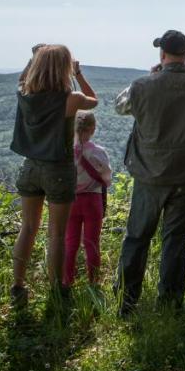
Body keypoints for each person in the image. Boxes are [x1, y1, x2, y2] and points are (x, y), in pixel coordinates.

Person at [114, 30, 185, 315]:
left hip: (149, 175)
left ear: (161, 54)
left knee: (137, 237)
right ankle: (170, 304)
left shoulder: (142, 85)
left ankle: (126, 302)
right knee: (175, 240)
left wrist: (153, 77)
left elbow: (120, 106)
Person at [9, 44, 98, 307]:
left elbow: (22, 79)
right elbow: (93, 101)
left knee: (28, 228)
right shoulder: (70, 99)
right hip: (58, 169)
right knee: (57, 233)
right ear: (64, 68)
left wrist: (33, 58)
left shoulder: (25, 94)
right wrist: (78, 73)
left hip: (30, 168)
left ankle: (17, 286)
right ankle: (57, 288)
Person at [63, 110, 112, 289]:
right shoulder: (99, 152)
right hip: (93, 202)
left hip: (71, 202)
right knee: (92, 243)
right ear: (93, 128)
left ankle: (67, 282)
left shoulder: (67, 151)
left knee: (70, 243)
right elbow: (107, 179)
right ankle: (94, 283)